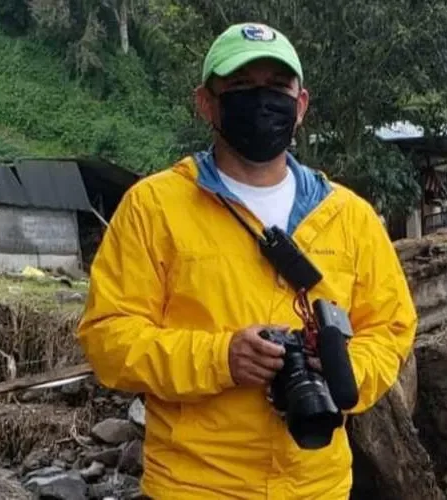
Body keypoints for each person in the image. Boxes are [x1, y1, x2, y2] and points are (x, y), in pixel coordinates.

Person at [77, 22, 417, 500]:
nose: (262, 101)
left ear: (300, 106)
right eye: (240, 86)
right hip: (194, 486)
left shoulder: (350, 216)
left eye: (277, 87)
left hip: (316, 486)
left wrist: (341, 369)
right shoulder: (153, 208)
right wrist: (221, 358)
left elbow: (392, 328)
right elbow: (109, 339)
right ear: (206, 102)